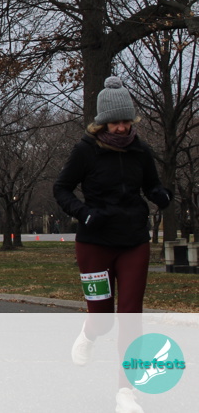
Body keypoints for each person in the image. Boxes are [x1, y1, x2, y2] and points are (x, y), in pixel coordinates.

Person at [53, 76, 171, 413]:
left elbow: (151, 185)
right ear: (102, 122)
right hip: (95, 243)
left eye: (126, 121)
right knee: (103, 319)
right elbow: (61, 188)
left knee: (131, 318)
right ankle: (90, 333)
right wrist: (84, 213)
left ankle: (126, 392)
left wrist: (160, 195)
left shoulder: (140, 151)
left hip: (133, 240)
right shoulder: (85, 151)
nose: (121, 128)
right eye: (115, 122)